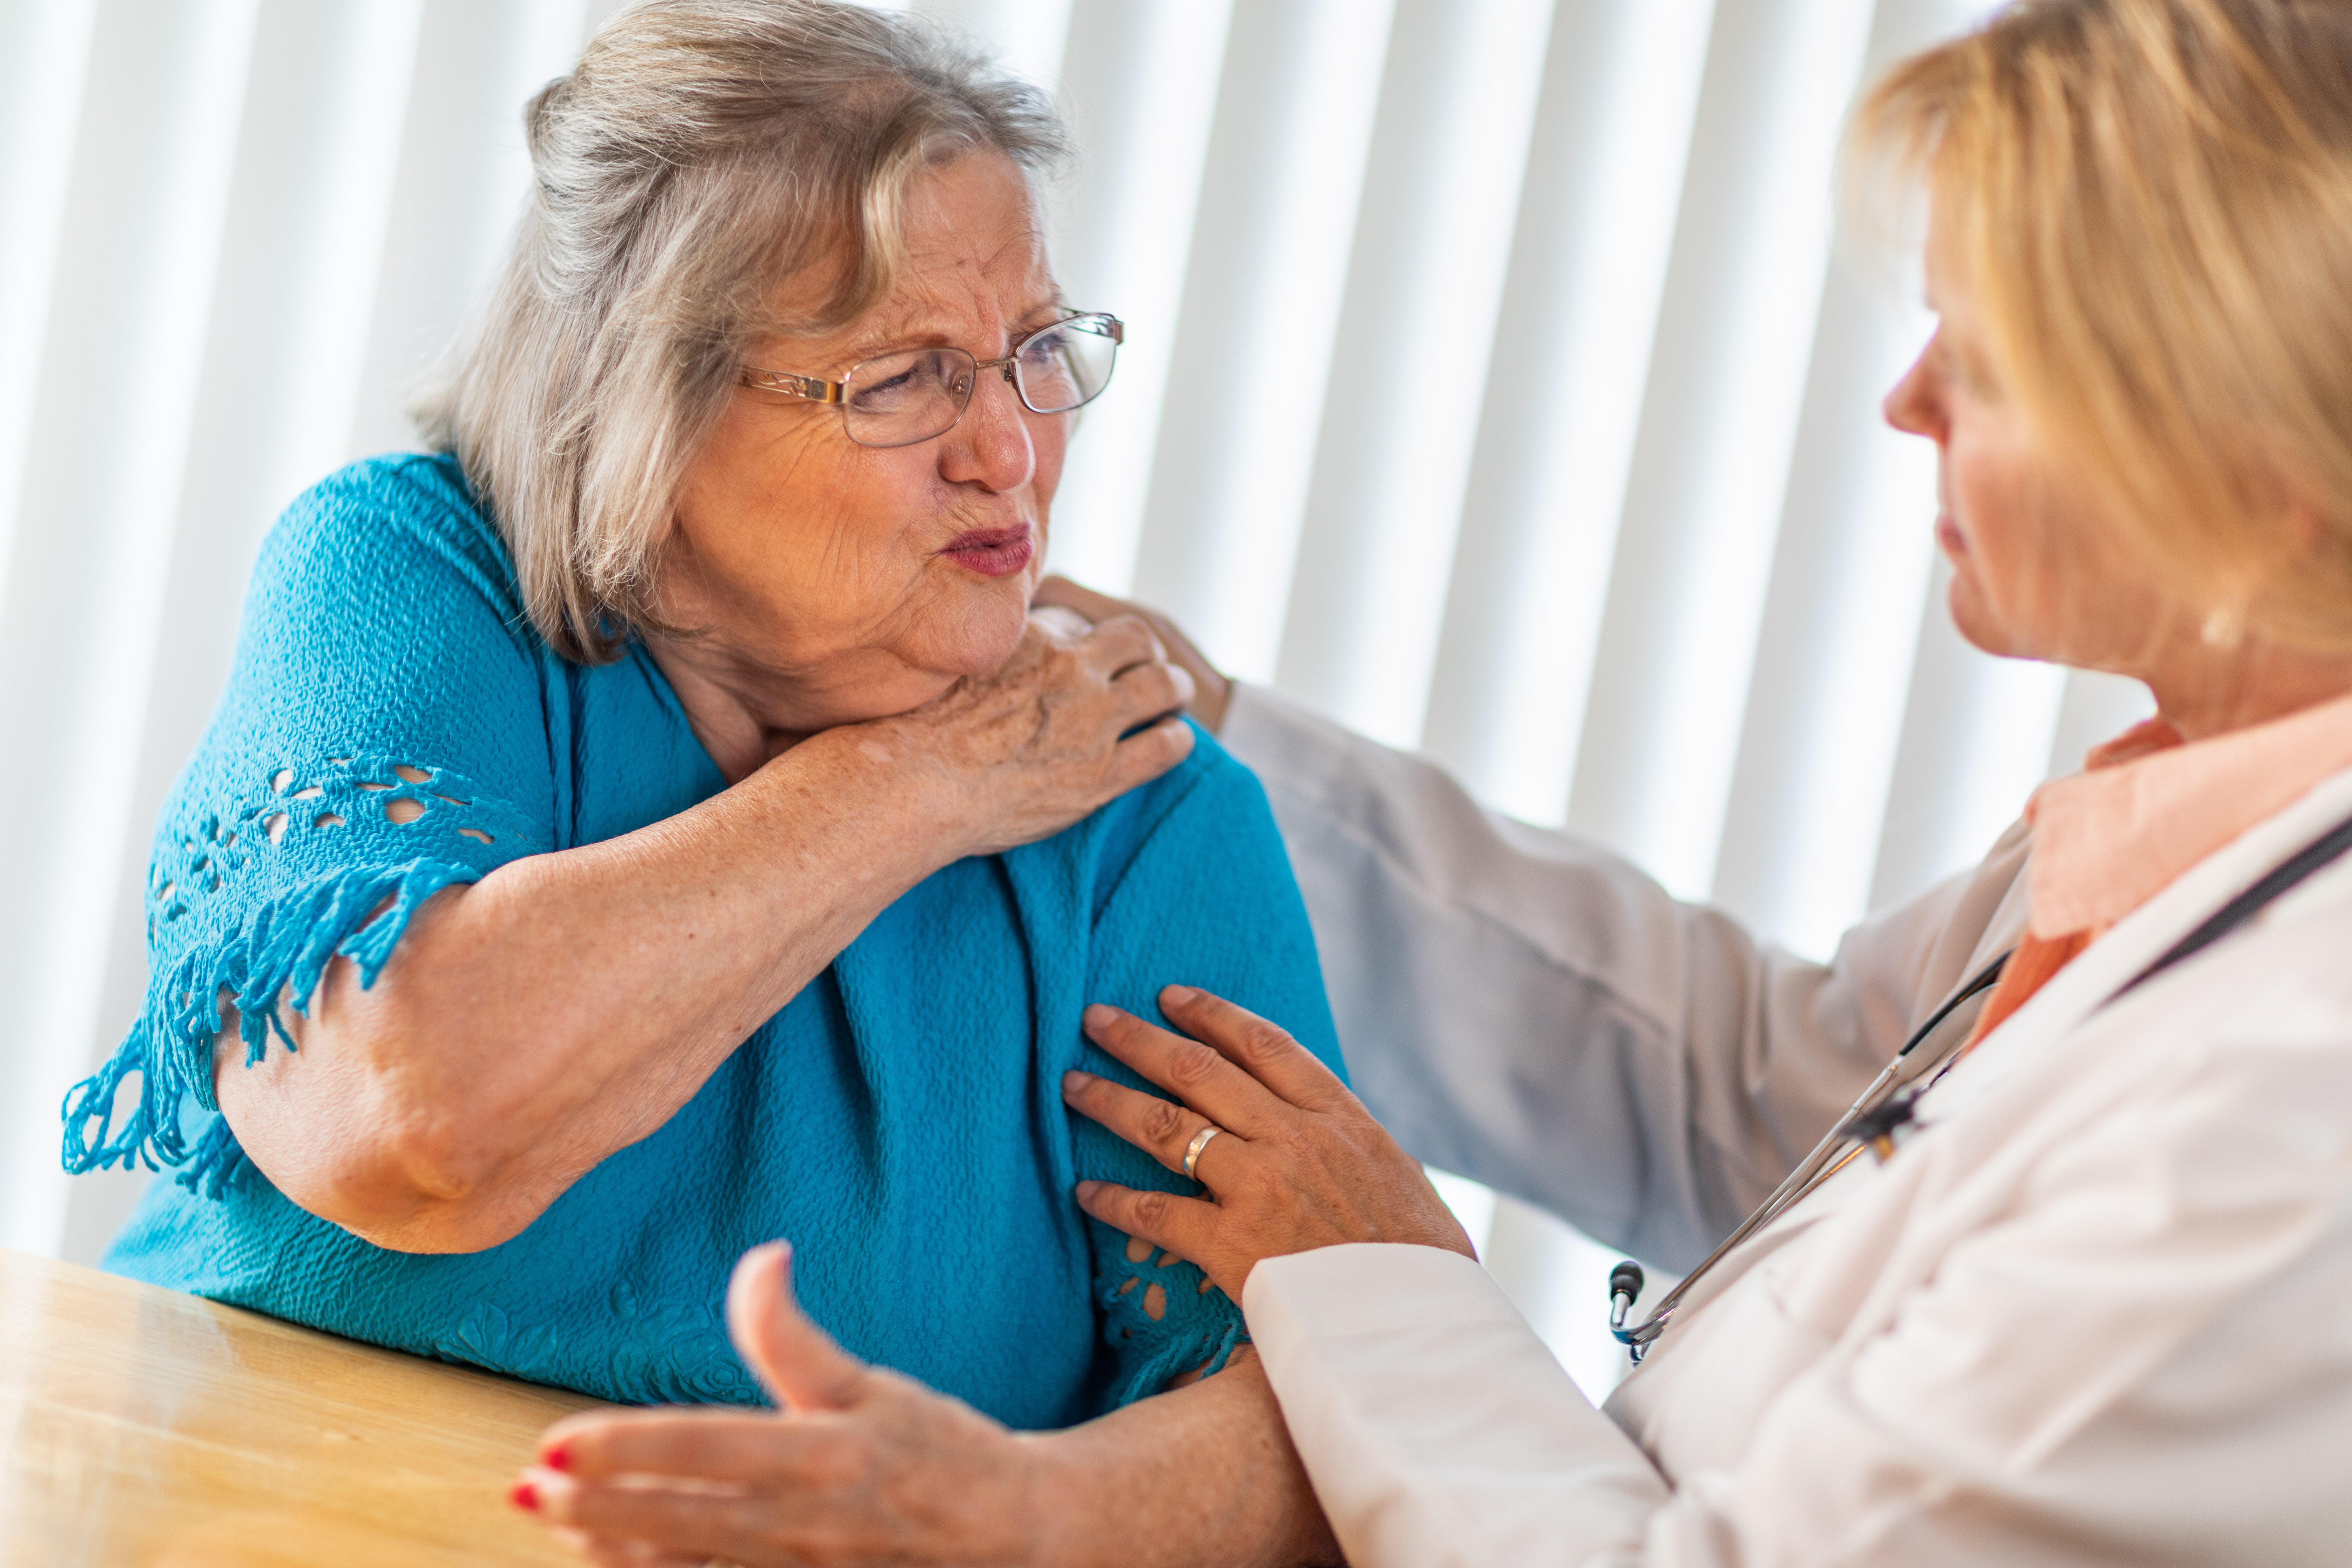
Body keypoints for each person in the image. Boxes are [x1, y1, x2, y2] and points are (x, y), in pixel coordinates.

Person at [514, 0, 2352, 1563]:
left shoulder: (2292, 1116)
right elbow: (1769, 1099)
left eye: (2010, 358)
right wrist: (1201, 723)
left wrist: (1388, 1277)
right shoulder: (2202, 843)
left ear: (2259, 439)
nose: (1913, 402)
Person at [56, 0, 1343, 1504]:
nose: (1012, 447)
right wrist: (917, 784)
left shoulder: (1144, 817)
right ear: (647, 406)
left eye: (1035, 350)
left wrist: (1029, 1518)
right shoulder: (418, 582)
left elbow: (1323, 1422)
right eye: (908, 374)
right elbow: (401, 1115)